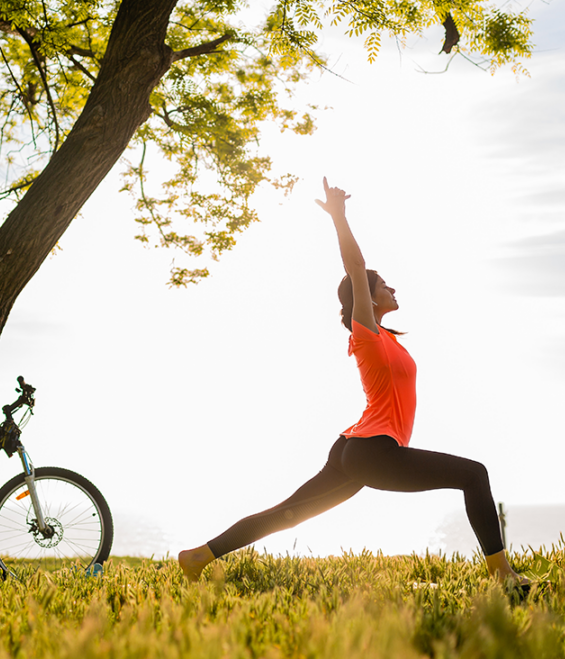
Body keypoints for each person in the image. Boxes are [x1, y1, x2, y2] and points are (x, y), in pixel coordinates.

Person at [178, 177, 530, 588]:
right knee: (474, 475)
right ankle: (502, 575)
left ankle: (198, 556)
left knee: (288, 512)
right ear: (366, 297)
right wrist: (339, 218)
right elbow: (356, 268)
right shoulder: (365, 334)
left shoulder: (388, 339)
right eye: (385, 285)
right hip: (370, 451)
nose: (392, 287)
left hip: (355, 448)